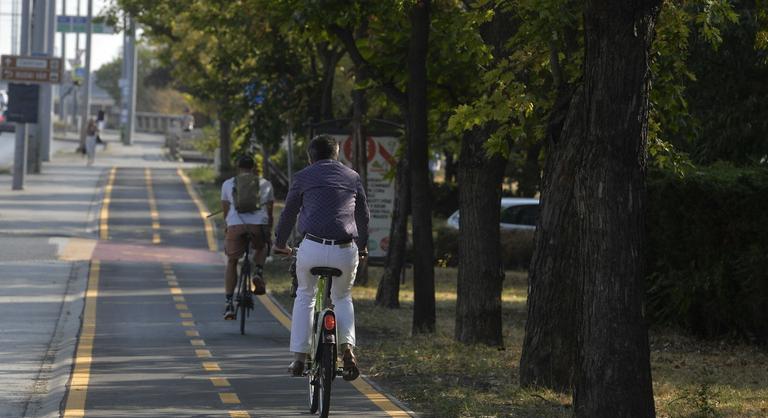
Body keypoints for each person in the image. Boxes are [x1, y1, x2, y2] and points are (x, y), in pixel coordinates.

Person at [273, 135, 370, 381]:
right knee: (342, 297)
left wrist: (280, 243)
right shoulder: (352, 177)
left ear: (310, 156)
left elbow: (288, 214)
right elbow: (364, 217)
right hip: (345, 249)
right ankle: (347, 350)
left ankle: (299, 358)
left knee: (305, 295)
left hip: (312, 247)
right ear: (337, 154)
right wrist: (362, 246)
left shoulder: (303, 177)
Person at [221, 155, 274, 320]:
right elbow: (270, 213)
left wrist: (228, 227)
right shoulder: (265, 184)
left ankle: (229, 303)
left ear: (238, 167)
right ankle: (258, 272)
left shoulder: (228, 184)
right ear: (254, 167)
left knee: (232, 261)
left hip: (235, 226)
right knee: (262, 245)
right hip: (257, 225)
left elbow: (225, 211)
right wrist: (268, 232)